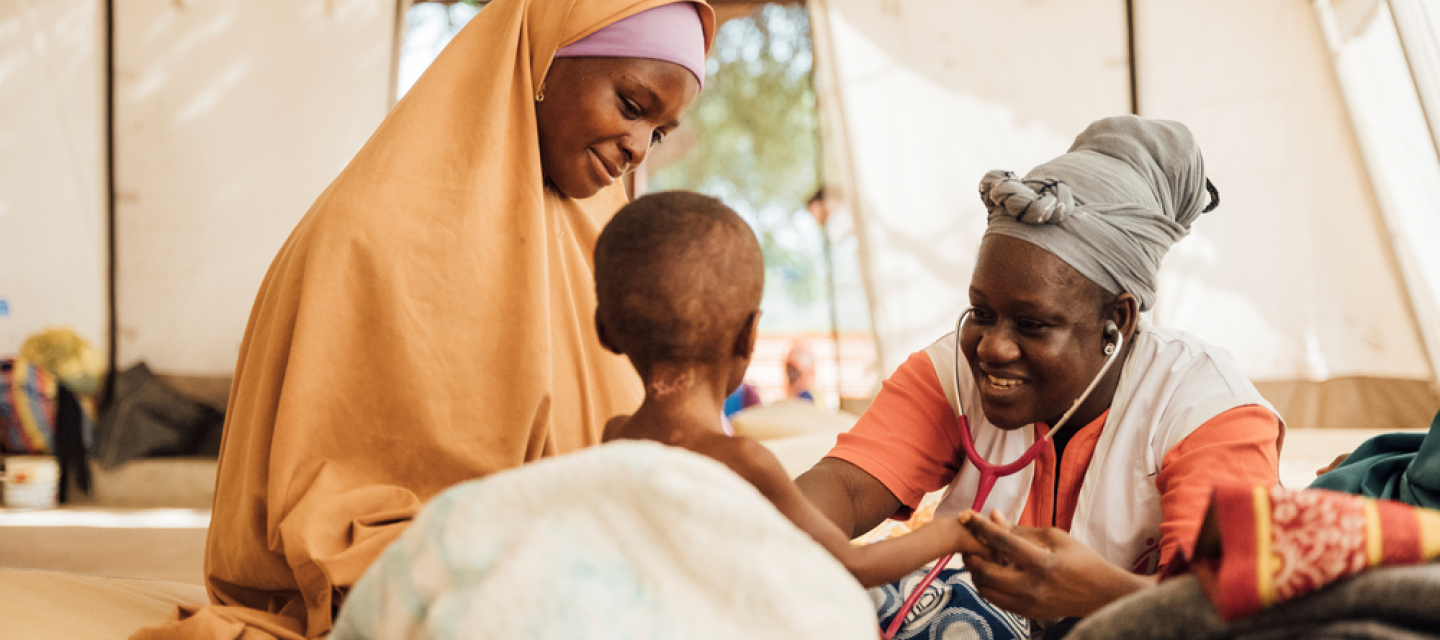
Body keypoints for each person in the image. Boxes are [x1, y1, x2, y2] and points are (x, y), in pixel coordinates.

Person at [131, 2, 716, 639]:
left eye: (657, 132)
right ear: (545, 59)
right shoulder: (368, 232)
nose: (637, 147)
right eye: (631, 106)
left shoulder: (593, 241)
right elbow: (334, 513)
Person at [794, 115, 1285, 637]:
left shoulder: (1207, 408)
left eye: (1032, 325)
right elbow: (843, 490)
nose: (993, 347)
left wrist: (1098, 595)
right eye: (981, 313)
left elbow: (1231, 612)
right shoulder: (949, 374)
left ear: (1117, 320)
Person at [596, 191, 983, 588]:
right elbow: (849, 564)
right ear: (748, 337)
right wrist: (951, 533)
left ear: (604, 331)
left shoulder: (614, 436)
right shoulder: (744, 460)